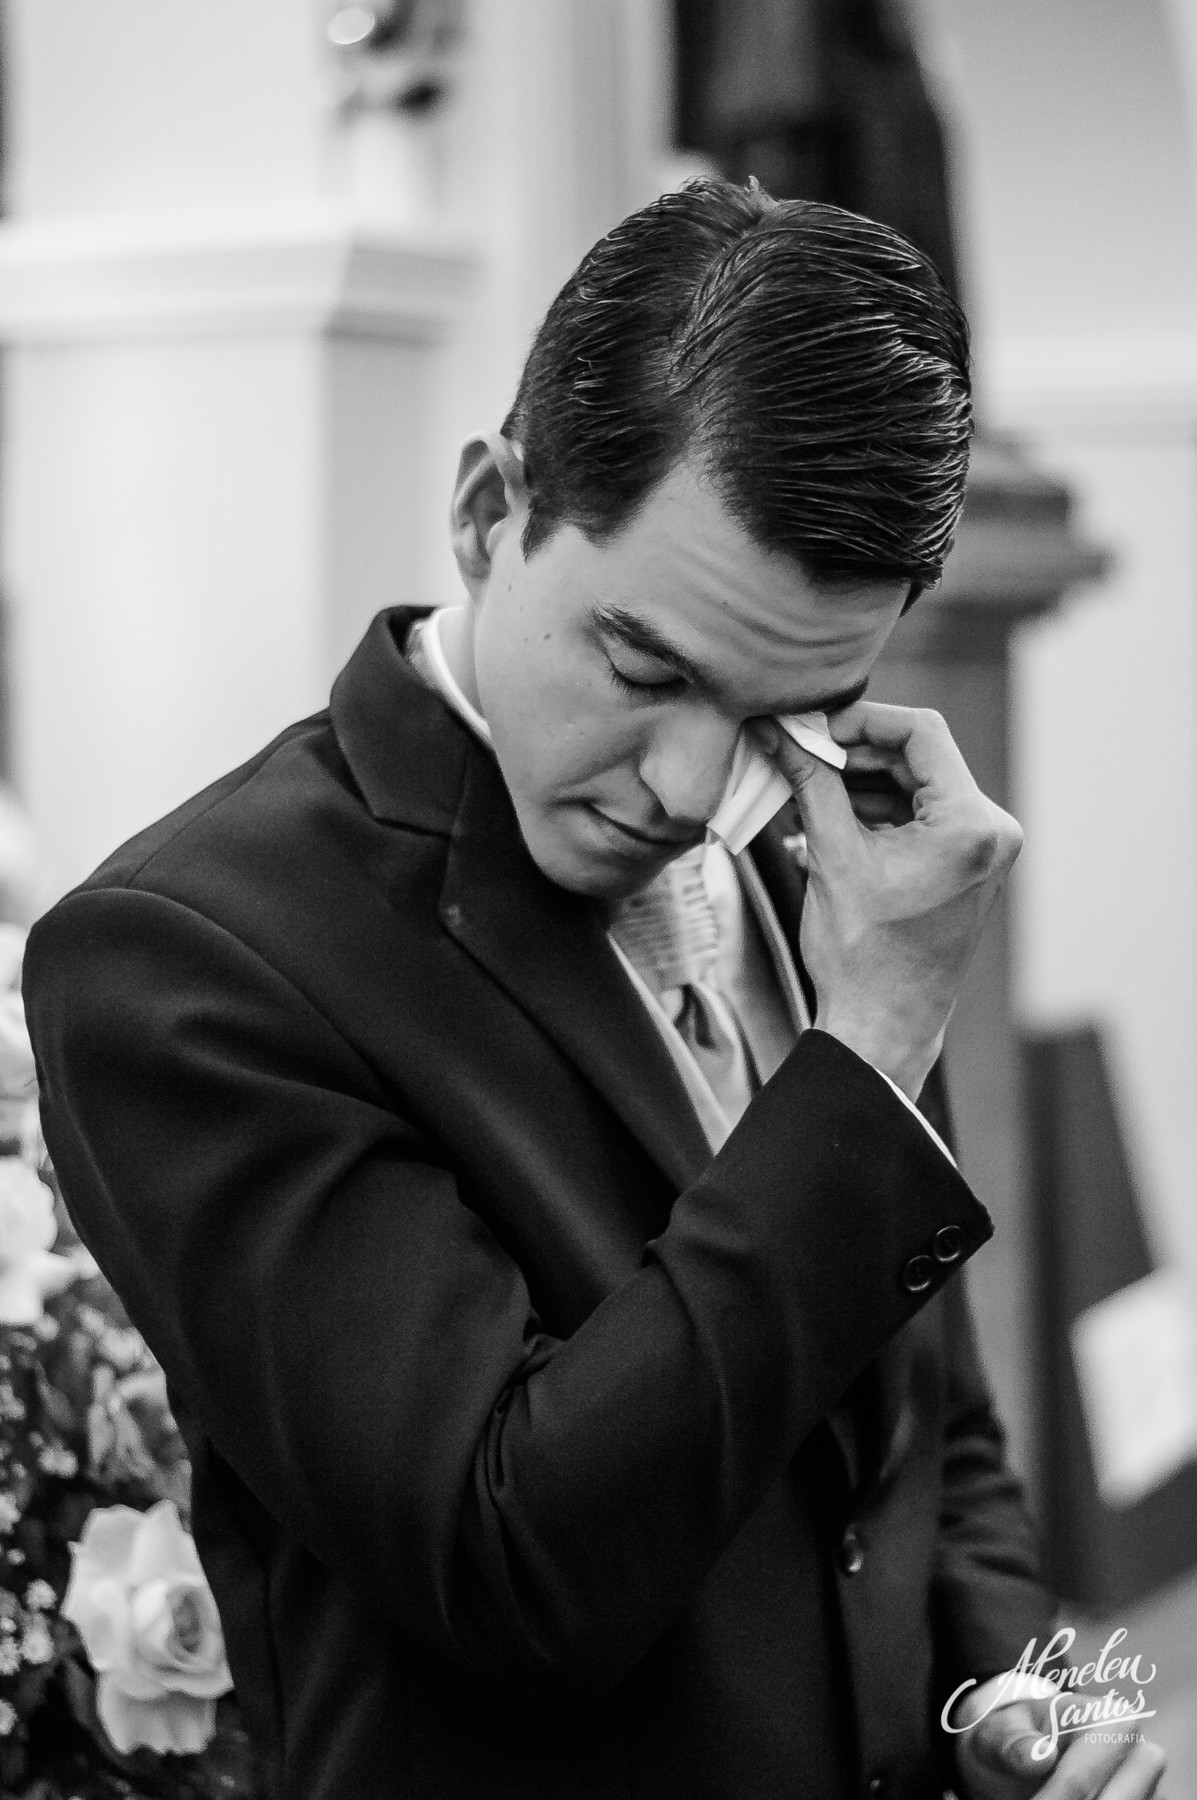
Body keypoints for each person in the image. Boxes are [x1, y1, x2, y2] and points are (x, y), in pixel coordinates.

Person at [24, 181, 1166, 1800]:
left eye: (795, 706)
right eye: (645, 670)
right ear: (491, 511)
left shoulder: (825, 854)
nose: (698, 787)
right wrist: (872, 1043)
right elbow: (518, 1566)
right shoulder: (186, 957)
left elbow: (924, 1432)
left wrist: (1016, 1701)